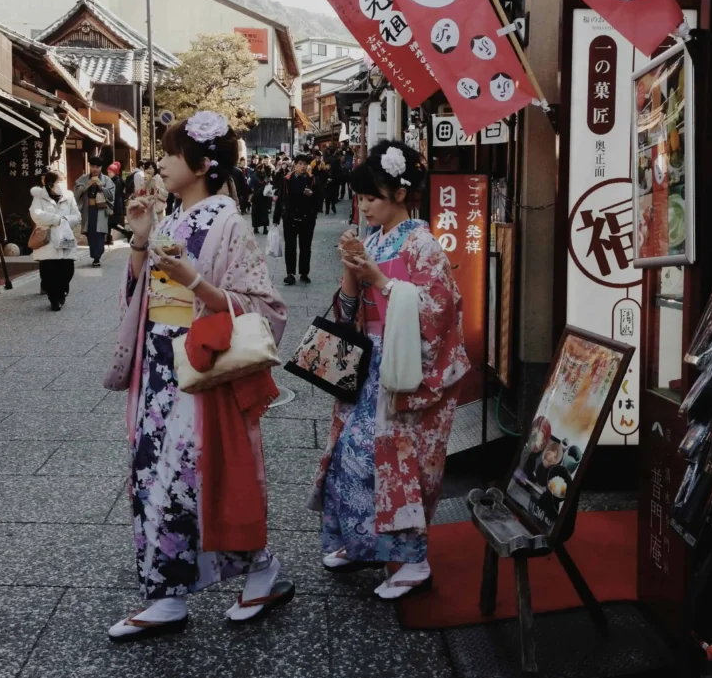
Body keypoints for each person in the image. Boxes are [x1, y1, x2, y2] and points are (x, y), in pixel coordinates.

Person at [107, 110, 292, 641]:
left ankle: (260, 569)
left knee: (204, 477)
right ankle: (165, 594)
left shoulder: (228, 221)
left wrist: (198, 285)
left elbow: (266, 309)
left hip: (200, 367)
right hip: (158, 367)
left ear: (203, 163)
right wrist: (141, 240)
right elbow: (139, 300)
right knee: (152, 473)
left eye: (169, 153)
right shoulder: (166, 219)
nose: (160, 162)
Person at [308, 141, 470, 599]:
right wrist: (350, 271)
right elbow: (348, 311)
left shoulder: (424, 244)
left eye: (371, 197)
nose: (363, 206)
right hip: (371, 365)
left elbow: (439, 311)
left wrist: (380, 279)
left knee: (398, 465)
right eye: (360, 198)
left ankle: (413, 561)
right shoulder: (376, 240)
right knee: (350, 457)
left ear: (400, 194)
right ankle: (363, 545)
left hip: (406, 370)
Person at [29, 171, 81, 310]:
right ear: (51, 184)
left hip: (65, 237)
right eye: (60, 181)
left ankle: (62, 292)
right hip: (47, 239)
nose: (63, 184)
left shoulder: (69, 196)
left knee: (67, 270)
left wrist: (64, 220)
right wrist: (56, 220)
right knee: (48, 272)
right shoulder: (39, 196)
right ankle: (53, 299)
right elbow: (36, 214)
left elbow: (77, 216)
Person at [273, 154, 318, 286]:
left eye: (305, 164)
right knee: (290, 246)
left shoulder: (312, 180)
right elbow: (280, 198)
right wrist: (276, 219)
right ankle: (290, 274)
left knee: (305, 246)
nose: (303, 166)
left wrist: (312, 195)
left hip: (307, 218)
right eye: (300, 164)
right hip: (290, 218)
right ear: (295, 164)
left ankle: (304, 273)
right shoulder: (287, 179)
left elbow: (320, 198)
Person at [74, 156, 115, 267]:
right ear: (90, 166)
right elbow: (76, 195)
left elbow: (111, 196)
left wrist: (101, 186)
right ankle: (95, 256)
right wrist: (87, 185)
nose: (95, 169)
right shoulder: (83, 178)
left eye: (97, 167)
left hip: (100, 210)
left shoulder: (106, 180)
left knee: (100, 233)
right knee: (90, 233)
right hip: (88, 209)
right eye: (93, 166)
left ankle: (97, 257)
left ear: (101, 168)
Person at [249, 162, 273, 235]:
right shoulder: (255, 175)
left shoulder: (265, 175)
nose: (262, 170)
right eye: (261, 168)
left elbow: (267, 182)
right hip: (256, 197)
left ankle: (265, 228)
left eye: (263, 168)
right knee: (256, 213)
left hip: (264, 197)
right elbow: (254, 184)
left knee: (264, 213)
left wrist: (268, 181)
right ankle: (256, 228)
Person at [106, 162, 126, 243]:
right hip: (115, 205)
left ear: (115, 172)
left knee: (112, 223)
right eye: (108, 172)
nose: (108, 174)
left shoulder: (117, 181)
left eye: (110, 172)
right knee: (110, 224)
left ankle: (127, 233)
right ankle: (109, 239)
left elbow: (113, 194)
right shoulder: (114, 180)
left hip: (115, 205)